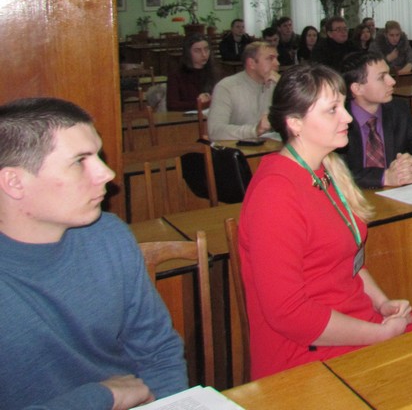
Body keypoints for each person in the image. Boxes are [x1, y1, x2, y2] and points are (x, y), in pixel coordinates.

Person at [238, 64, 412, 379]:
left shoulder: (325, 171)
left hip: (356, 323)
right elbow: (289, 314)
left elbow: (346, 258)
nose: (347, 117)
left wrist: (381, 302)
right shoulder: (275, 192)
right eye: (332, 110)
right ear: (295, 123)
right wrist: (380, 335)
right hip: (306, 352)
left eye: (343, 106)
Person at [0, 97, 187, 409]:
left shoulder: (108, 235)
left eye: (97, 156)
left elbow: (157, 351)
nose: (107, 173)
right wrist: (103, 397)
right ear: (14, 182)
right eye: (80, 161)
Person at [341, 53, 412, 188]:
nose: (392, 81)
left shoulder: (397, 110)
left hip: (395, 194)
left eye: (389, 74)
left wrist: (410, 170)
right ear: (357, 88)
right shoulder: (338, 119)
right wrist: (384, 177)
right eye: (381, 77)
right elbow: (337, 173)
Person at [208, 41, 278, 140]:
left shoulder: (275, 84)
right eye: (270, 58)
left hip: (269, 145)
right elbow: (215, 131)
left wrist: (282, 85)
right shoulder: (226, 87)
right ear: (252, 63)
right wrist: (254, 130)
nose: (277, 63)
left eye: (276, 58)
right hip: (236, 146)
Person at [166, 33, 220, 111]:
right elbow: (172, 105)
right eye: (197, 51)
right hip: (187, 116)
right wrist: (199, 103)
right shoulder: (176, 75)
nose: (204, 54)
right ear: (188, 53)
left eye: (206, 49)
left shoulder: (216, 72)